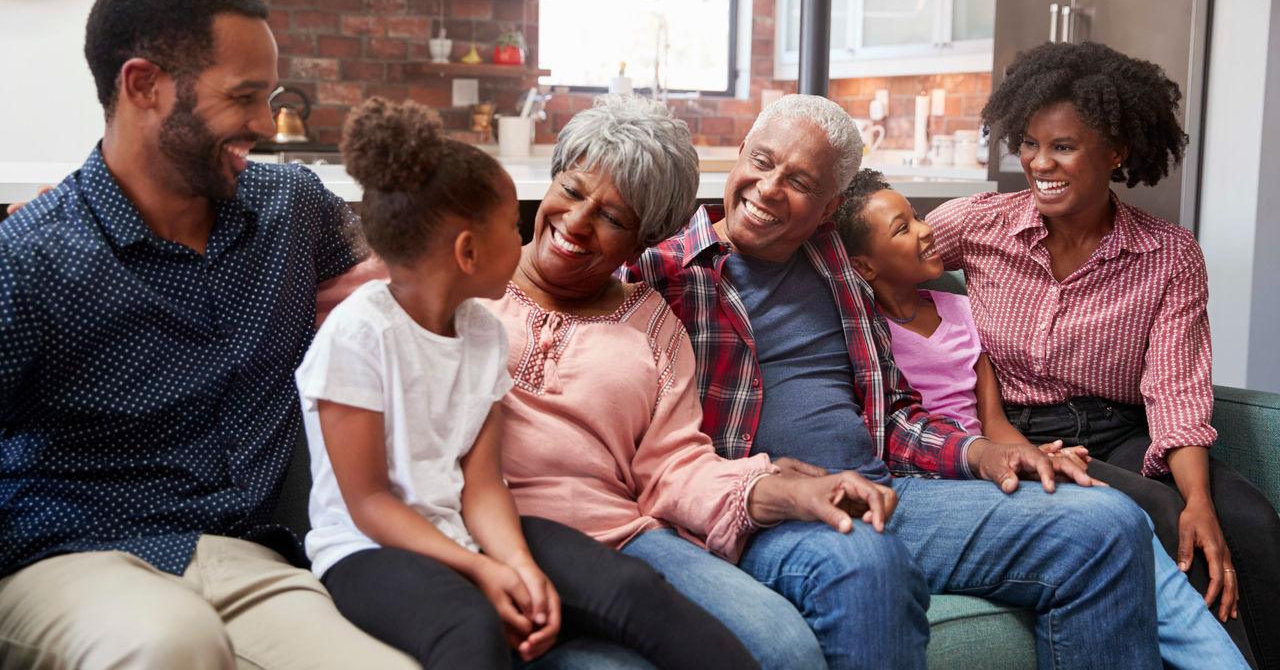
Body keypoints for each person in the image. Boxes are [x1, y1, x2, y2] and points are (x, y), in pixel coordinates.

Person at [625, 92, 1165, 670]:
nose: (769, 189)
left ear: (830, 206)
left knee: (1109, 525)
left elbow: (892, 414)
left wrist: (983, 454)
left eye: (800, 182)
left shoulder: (837, 262)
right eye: (761, 161)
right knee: (864, 558)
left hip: (891, 491)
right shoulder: (664, 271)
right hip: (770, 512)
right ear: (739, 155)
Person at [0, 0, 418, 669]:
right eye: (244, 97)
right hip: (73, 556)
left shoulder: (295, 210)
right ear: (144, 86)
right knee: (171, 644)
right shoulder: (31, 257)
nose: (265, 122)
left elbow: (397, 302)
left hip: (248, 563)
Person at [296, 97, 762, 670]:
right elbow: (367, 502)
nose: (537, 236)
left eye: (613, 218)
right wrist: (483, 569)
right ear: (468, 251)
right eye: (507, 225)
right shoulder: (359, 332)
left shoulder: (482, 334)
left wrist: (516, 562)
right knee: (472, 628)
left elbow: (483, 483)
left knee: (636, 592)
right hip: (368, 549)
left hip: (470, 532)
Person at [488, 93, 907, 670]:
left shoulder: (656, 321)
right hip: (493, 526)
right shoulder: (465, 279)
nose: (578, 225)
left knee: (786, 650)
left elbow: (674, 468)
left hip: (627, 537)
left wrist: (786, 491)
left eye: (613, 218)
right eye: (574, 191)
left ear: (642, 244)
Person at [926, 41, 1280, 669]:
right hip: (1012, 430)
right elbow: (876, 251)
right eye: (1029, 144)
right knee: (1163, 516)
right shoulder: (980, 224)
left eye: (1062, 146)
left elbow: (1176, 391)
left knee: (1246, 520)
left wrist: (1201, 498)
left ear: (1115, 152)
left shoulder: (1168, 254)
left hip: (1121, 433)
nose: (1040, 163)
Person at [834, 169, 1250, 670]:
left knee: (1126, 514)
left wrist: (1035, 456)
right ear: (864, 267)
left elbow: (993, 421)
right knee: (1123, 517)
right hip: (937, 475)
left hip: (997, 459)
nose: (926, 229)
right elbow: (886, 431)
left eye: (917, 216)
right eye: (903, 227)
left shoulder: (963, 312)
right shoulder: (862, 332)